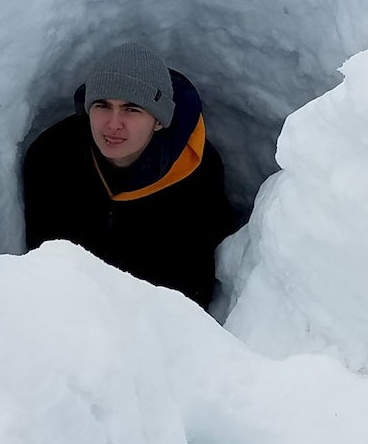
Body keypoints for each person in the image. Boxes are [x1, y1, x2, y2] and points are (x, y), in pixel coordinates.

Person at [23, 41, 234, 307]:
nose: (112, 124)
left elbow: (195, 287)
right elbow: (40, 262)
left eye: (131, 109)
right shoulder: (52, 157)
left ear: (158, 121)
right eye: (102, 105)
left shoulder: (197, 172)